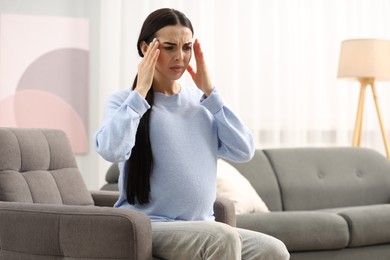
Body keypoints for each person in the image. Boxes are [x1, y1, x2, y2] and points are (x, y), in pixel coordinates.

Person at [94, 8, 289, 260]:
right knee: (223, 237)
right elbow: (111, 149)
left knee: (274, 251)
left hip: (204, 227)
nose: (180, 57)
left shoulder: (203, 103)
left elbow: (244, 150)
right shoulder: (125, 102)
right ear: (146, 48)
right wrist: (140, 93)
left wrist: (211, 93)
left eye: (186, 47)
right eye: (169, 47)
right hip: (150, 226)